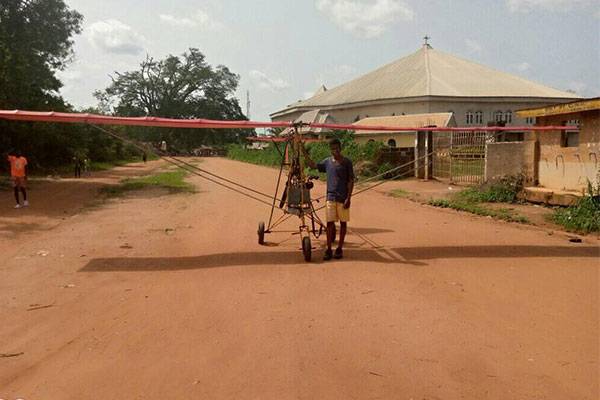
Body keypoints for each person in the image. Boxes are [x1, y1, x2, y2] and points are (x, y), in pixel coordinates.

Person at [302, 138, 354, 260]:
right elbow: (313, 165)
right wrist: (303, 151)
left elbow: (351, 180)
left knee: (343, 223)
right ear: (330, 150)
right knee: (329, 223)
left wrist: (348, 198)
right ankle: (329, 249)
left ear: (340, 148)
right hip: (330, 197)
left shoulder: (347, 162)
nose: (334, 151)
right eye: (332, 149)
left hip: (343, 198)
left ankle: (339, 248)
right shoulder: (327, 162)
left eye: (336, 148)